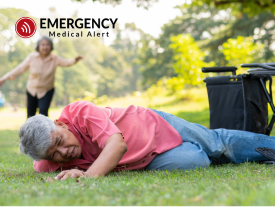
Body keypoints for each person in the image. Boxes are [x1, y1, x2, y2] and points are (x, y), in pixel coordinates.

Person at [19, 101, 273, 180]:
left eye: (59, 141)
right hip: (145, 159)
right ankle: (208, 154)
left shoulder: (80, 112)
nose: (63, 152)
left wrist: (86, 176)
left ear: (61, 124)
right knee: (195, 161)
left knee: (219, 145)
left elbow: (117, 145)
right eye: (54, 154)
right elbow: (37, 166)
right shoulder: (44, 161)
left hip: (154, 124)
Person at [0, 36, 83, 118]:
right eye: (43, 45)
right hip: (32, 89)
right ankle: (29, 131)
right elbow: (20, 69)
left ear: (51, 47)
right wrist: (4, 78)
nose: (45, 47)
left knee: (43, 112)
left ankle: (44, 131)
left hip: (47, 90)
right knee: (30, 113)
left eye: (47, 45)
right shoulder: (32, 57)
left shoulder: (55, 58)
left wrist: (75, 60)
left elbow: (66, 62)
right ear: (38, 46)